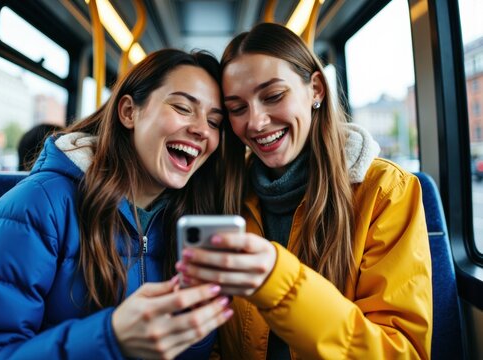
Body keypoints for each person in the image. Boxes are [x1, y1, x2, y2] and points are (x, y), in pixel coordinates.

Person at [0, 49, 235, 360]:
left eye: (214, 121)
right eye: (182, 107)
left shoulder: (194, 220)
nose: (203, 129)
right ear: (128, 112)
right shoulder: (38, 206)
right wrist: (110, 338)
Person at [177, 23, 432, 359]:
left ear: (315, 89)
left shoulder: (386, 192)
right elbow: (218, 341)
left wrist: (279, 282)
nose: (255, 122)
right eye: (237, 108)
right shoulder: (228, 194)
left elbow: (400, 352)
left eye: (273, 96)